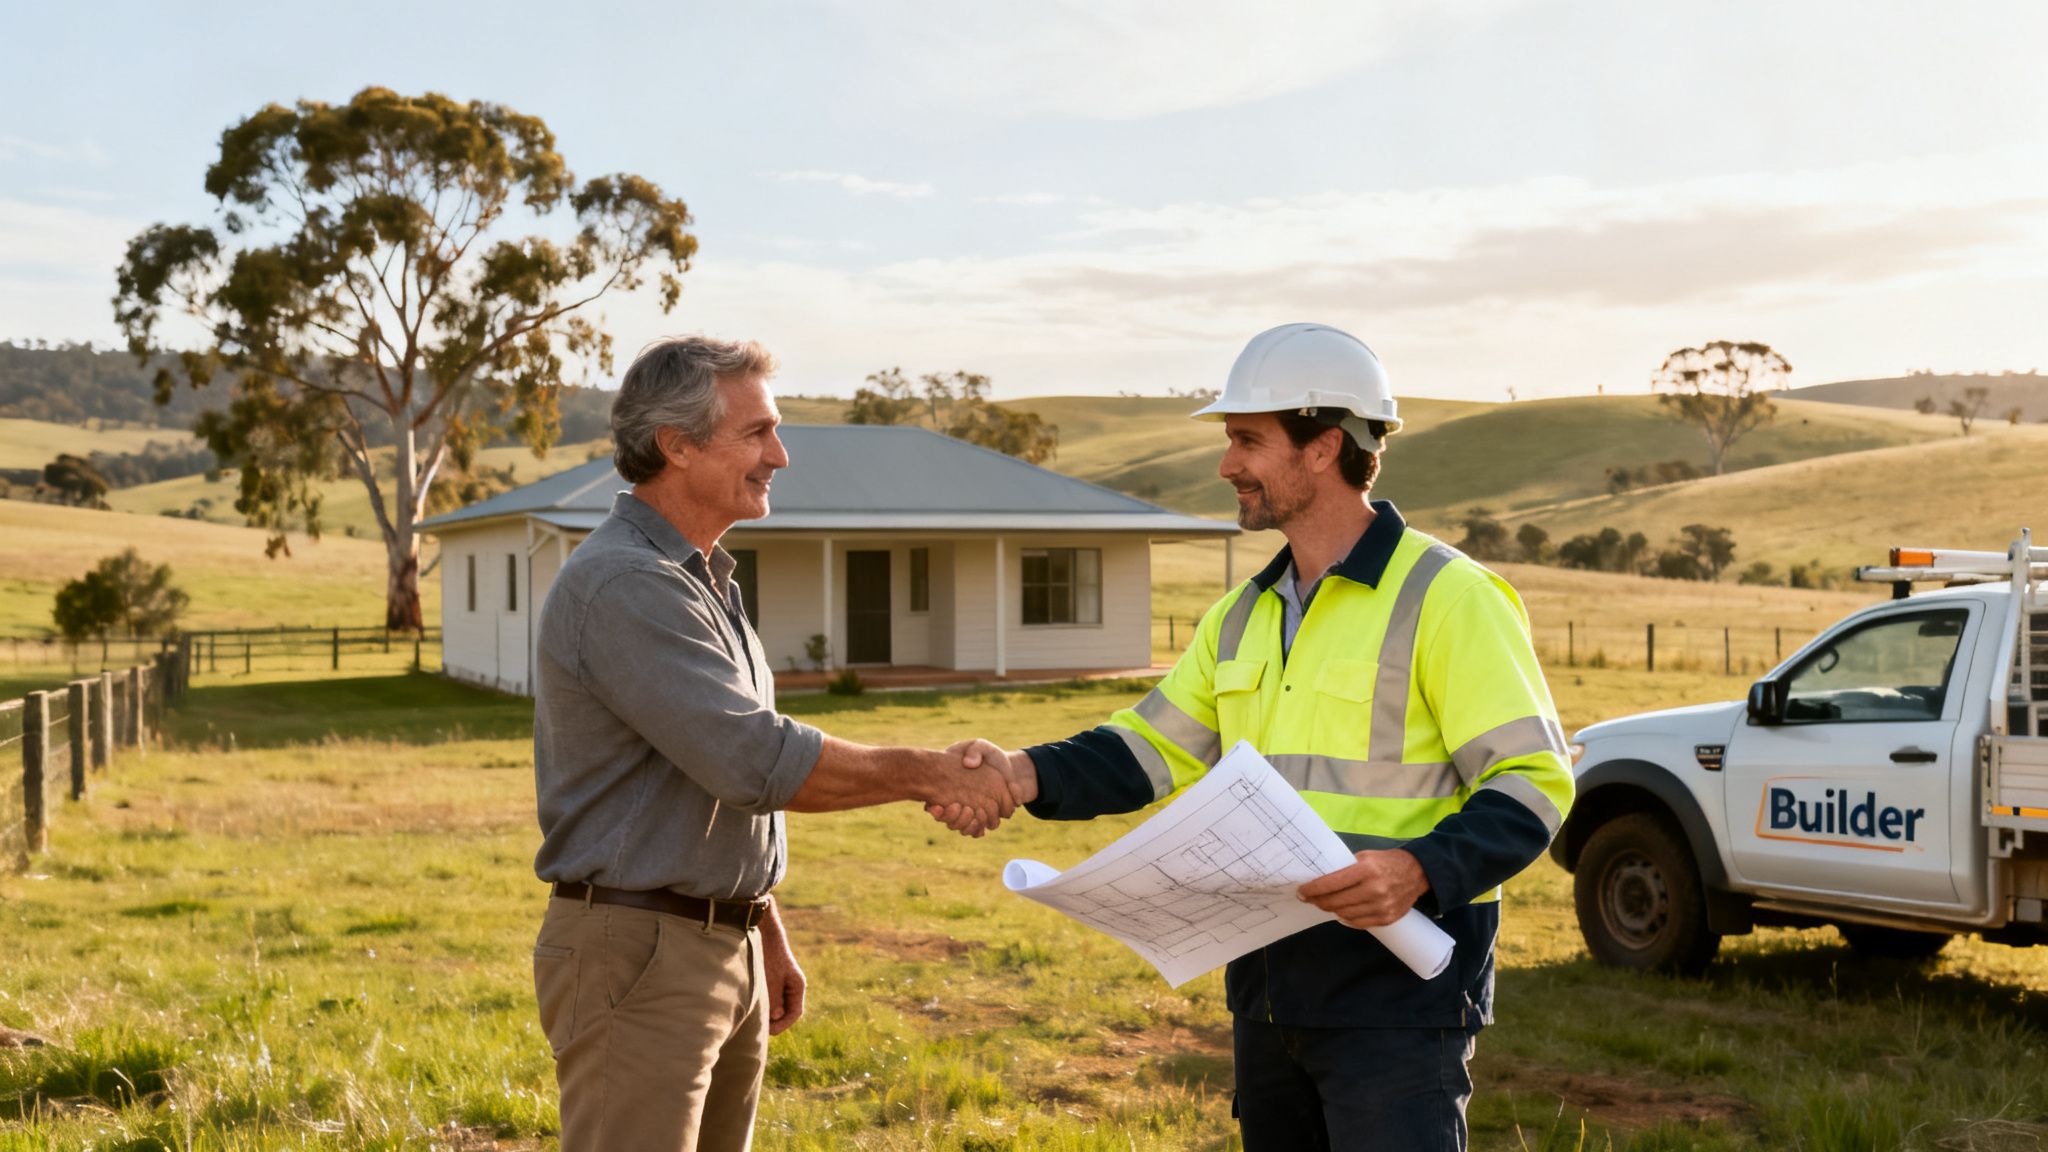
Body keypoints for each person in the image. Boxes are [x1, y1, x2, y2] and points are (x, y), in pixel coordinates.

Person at [942, 323, 1574, 1150]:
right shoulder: (1241, 616)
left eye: (1247, 440)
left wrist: (1421, 868)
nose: (1227, 464)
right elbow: (1147, 748)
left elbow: (1535, 781)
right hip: (1270, 989)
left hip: (1396, 1000)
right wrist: (1019, 773)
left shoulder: (1449, 597)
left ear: (1323, 447)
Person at [531, 335, 1017, 1151]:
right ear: (676, 446)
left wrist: (763, 926)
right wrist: (931, 770)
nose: (780, 455)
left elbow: (702, 783)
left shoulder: (703, 580)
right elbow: (754, 761)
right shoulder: (628, 586)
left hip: (720, 945)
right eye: (756, 433)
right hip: (645, 956)